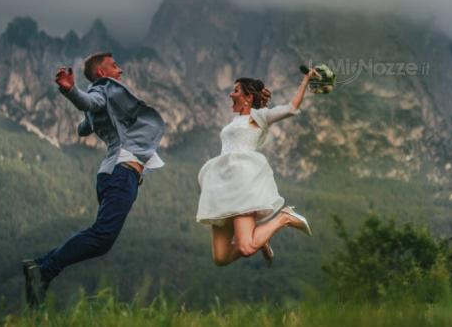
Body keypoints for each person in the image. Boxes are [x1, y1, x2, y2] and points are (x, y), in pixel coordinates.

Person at [22, 52, 166, 307]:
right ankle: (44, 271)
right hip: (121, 174)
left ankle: (40, 266)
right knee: (101, 237)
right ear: (102, 73)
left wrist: (90, 118)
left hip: (116, 175)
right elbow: (89, 102)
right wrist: (71, 90)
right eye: (114, 66)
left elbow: (85, 125)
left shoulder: (109, 101)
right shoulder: (104, 91)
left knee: (102, 241)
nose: (120, 70)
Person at [196, 68, 317, 267]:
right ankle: (260, 238)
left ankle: (284, 218)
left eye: (235, 90)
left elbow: (291, 108)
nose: (230, 94)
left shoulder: (259, 116)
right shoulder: (235, 121)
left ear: (248, 97)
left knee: (245, 247)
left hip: (243, 184)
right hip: (223, 188)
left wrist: (306, 80)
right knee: (221, 257)